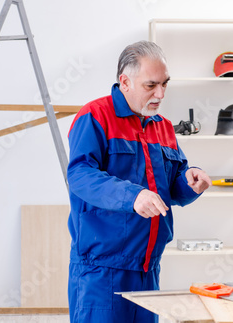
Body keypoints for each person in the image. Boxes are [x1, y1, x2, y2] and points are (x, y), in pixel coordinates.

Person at [66, 40, 211, 322]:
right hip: (102, 272)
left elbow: (171, 190)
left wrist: (189, 182)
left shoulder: (163, 126)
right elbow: (80, 175)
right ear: (125, 81)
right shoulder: (95, 116)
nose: (160, 94)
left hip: (148, 269)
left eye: (165, 84)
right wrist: (133, 196)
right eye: (151, 85)